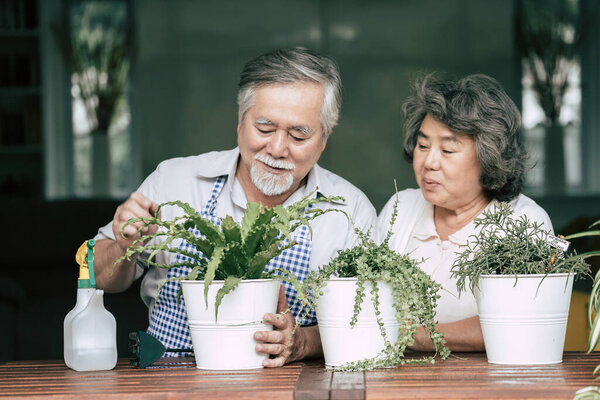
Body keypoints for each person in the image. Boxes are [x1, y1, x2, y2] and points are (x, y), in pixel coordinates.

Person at [93, 47, 376, 367]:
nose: (278, 148)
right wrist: (122, 245)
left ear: (324, 138)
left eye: (299, 135)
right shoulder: (174, 181)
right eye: (265, 129)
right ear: (240, 122)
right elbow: (99, 277)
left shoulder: (350, 211)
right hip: (169, 382)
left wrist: (303, 342)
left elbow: (367, 325)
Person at [376, 74, 553, 351]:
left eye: (447, 150)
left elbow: (516, 321)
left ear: (488, 157)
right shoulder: (401, 208)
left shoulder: (524, 222)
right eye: (423, 146)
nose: (429, 162)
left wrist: (410, 335)